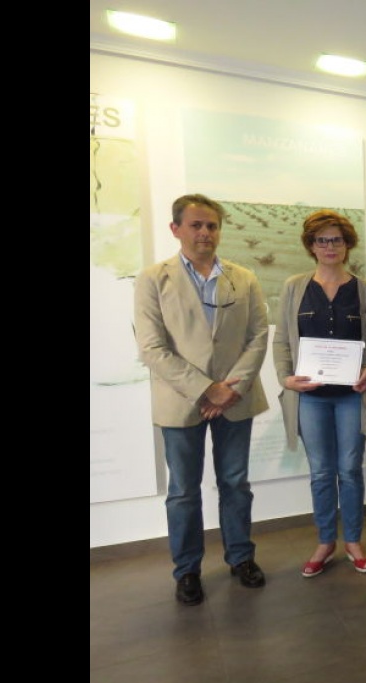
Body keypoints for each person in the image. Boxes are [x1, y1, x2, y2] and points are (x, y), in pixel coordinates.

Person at [134, 193, 270, 606]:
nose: (205, 233)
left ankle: (241, 558)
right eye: (196, 225)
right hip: (181, 402)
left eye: (211, 226)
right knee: (183, 491)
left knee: (234, 484)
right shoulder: (153, 279)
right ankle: (188, 569)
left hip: (235, 399)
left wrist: (230, 388)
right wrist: (204, 388)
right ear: (176, 229)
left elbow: (258, 336)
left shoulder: (243, 277)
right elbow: (152, 348)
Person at [272, 210, 366, 578]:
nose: (329, 246)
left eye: (336, 239)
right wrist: (287, 378)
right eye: (322, 240)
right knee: (320, 472)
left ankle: (352, 540)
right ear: (311, 245)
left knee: (349, 470)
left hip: (351, 395)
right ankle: (324, 541)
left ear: (347, 244)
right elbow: (282, 339)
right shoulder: (294, 286)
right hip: (310, 398)